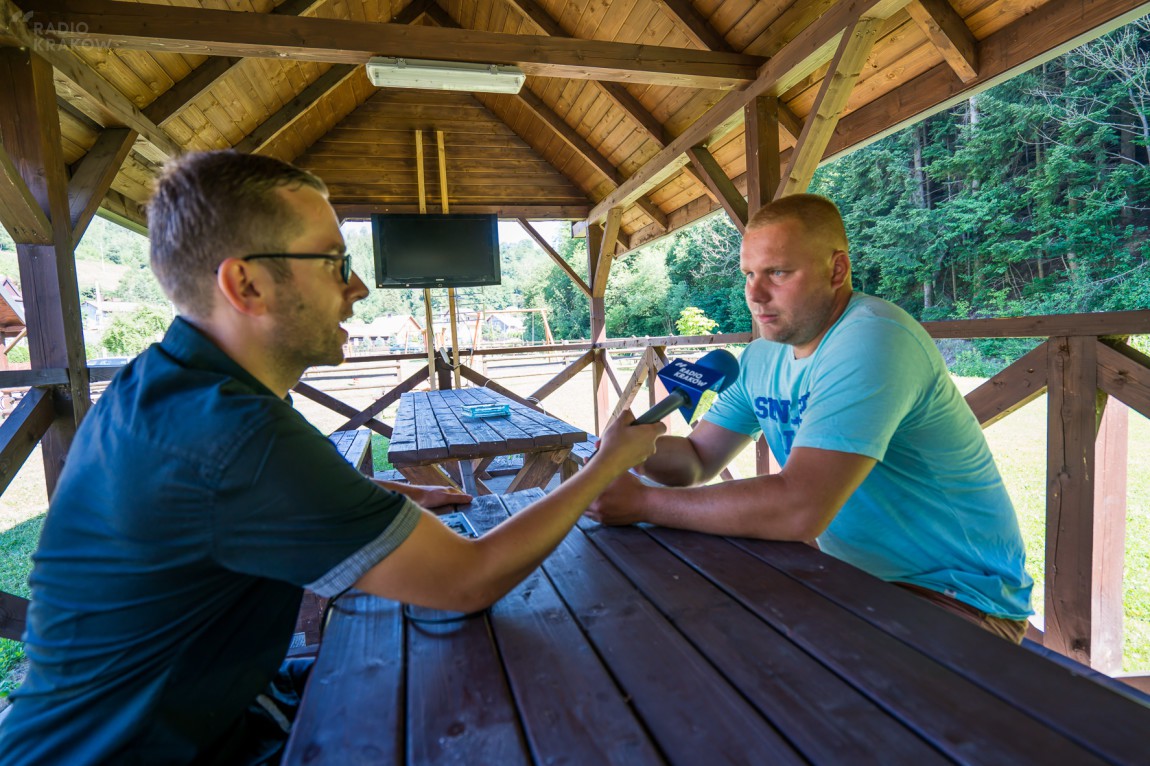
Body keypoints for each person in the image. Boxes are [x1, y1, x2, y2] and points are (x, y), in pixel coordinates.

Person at [0, 150, 665, 764]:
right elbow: (469, 582)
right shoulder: (235, 431)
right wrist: (606, 462)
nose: (359, 290)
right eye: (334, 262)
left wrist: (384, 496)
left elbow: (233, 507)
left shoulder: (168, 387)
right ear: (247, 284)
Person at [587, 193, 1033, 642]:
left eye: (778, 273)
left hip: (958, 599)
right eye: (749, 274)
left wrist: (642, 504)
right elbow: (697, 459)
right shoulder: (763, 357)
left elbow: (799, 507)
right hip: (851, 581)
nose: (755, 294)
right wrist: (631, 447)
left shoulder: (874, 339)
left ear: (837, 270)